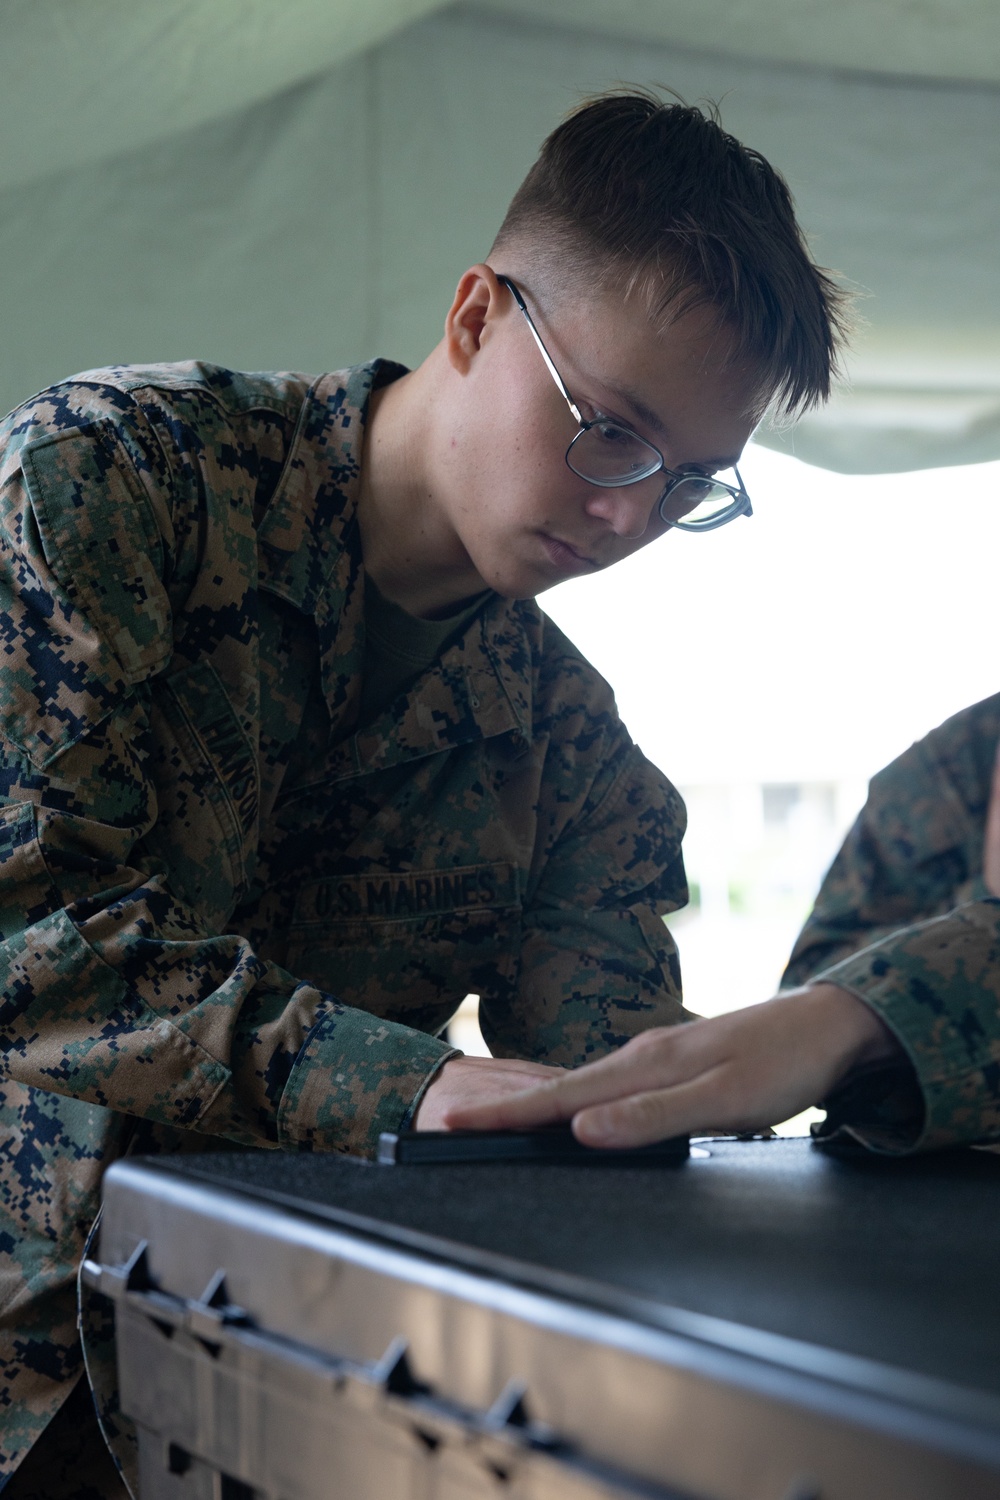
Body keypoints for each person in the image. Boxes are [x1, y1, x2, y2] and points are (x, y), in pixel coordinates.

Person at [0, 91, 846, 1494]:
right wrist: (409, 1085)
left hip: (257, 1393)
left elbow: (598, 1098)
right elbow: (24, 937)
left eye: (690, 482)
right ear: (474, 319)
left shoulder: (575, 757)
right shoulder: (114, 488)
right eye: (612, 431)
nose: (630, 515)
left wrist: (740, 1082)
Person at [452, 693, 1000, 1157]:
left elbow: (818, 1033)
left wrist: (861, 1020)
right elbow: (814, 1031)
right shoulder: (965, 757)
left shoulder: (561, 706)